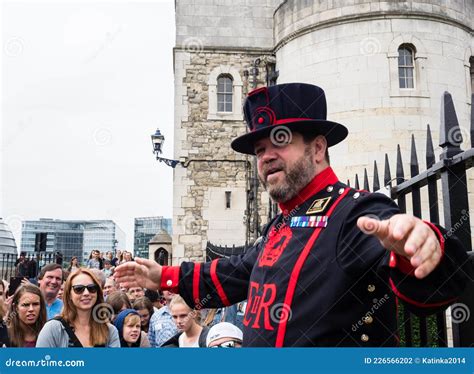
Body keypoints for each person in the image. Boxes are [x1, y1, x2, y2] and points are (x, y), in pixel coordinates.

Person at [115, 83, 470, 347]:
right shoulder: (281, 224)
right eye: (259, 150)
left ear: (317, 148)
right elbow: (232, 273)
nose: (266, 156)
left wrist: (418, 247)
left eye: (279, 142)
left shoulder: (355, 211)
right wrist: (164, 276)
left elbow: (431, 277)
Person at [36, 268, 119, 347]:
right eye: (79, 289)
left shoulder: (110, 331)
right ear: (69, 295)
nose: (86, 293)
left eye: (91, 288)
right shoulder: (52, 329)